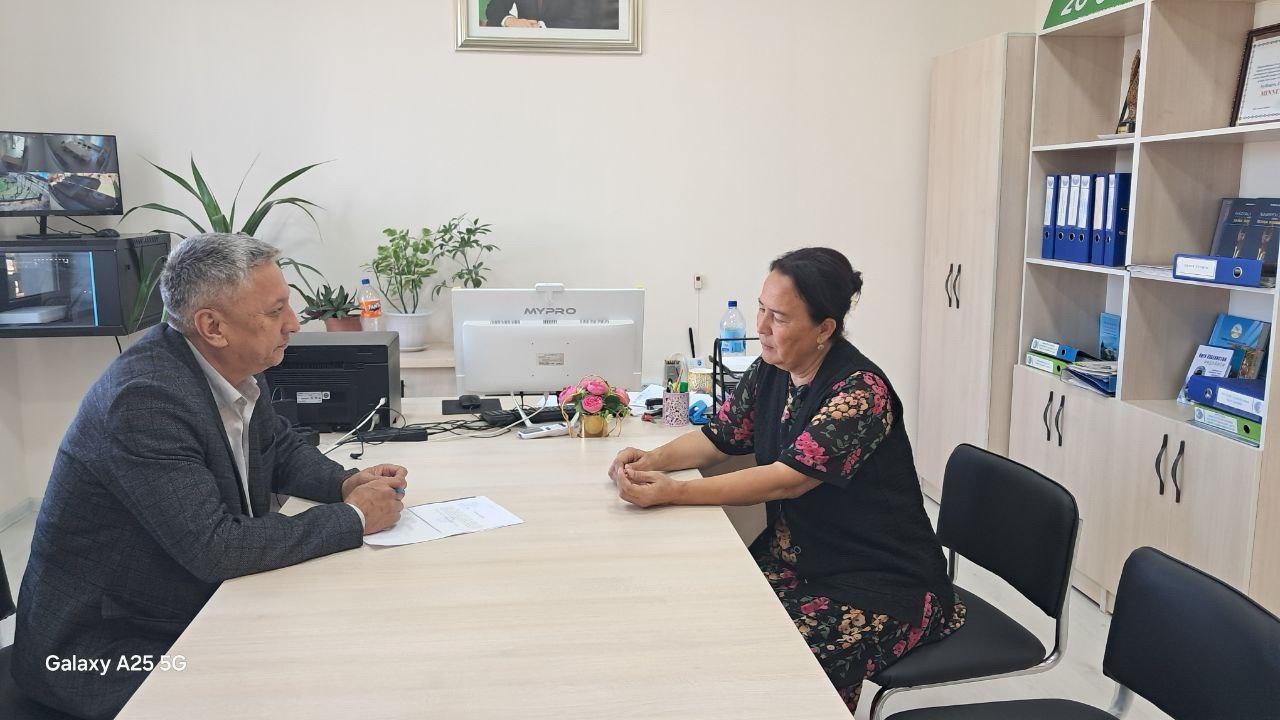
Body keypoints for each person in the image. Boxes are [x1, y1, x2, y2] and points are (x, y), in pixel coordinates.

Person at [12, 233, 409, 719]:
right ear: (213, 326)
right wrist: (354, 517)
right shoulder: (144, 400)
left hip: (176, 607)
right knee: (307, 689)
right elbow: (216, 548)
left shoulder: (230, 363)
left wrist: (344, 483)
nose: (293, 322)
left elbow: (279, 447)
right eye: (275, 311)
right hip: (104, 649)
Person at [607, 247, 965, 713]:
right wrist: (650, 461)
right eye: (760, 308)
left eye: (778, 317)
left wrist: (677, 492)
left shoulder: (860, 392)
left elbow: (787, 480)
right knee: (698, 618)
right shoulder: (772, 370)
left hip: (880, 581)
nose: (760, 327)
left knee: (770, 667)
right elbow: (719, 437)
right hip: (800, 562)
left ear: (824, 329)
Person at [485, 0, 619, 30]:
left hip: (567, 52)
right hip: (524, 51)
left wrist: (540, 27)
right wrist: (511, 21)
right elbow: (493, 9)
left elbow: (583, 20)